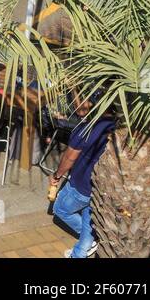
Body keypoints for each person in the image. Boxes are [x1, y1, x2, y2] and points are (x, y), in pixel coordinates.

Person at [49, 100, 115, 258]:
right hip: (102, 187)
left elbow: (69, 158)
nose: (77, 105)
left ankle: (89, 240)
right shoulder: (116, 127)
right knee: (88, 217)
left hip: (81, 185)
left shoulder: (85, 129)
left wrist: (57, 176)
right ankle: (83, 248)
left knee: (60, 209)